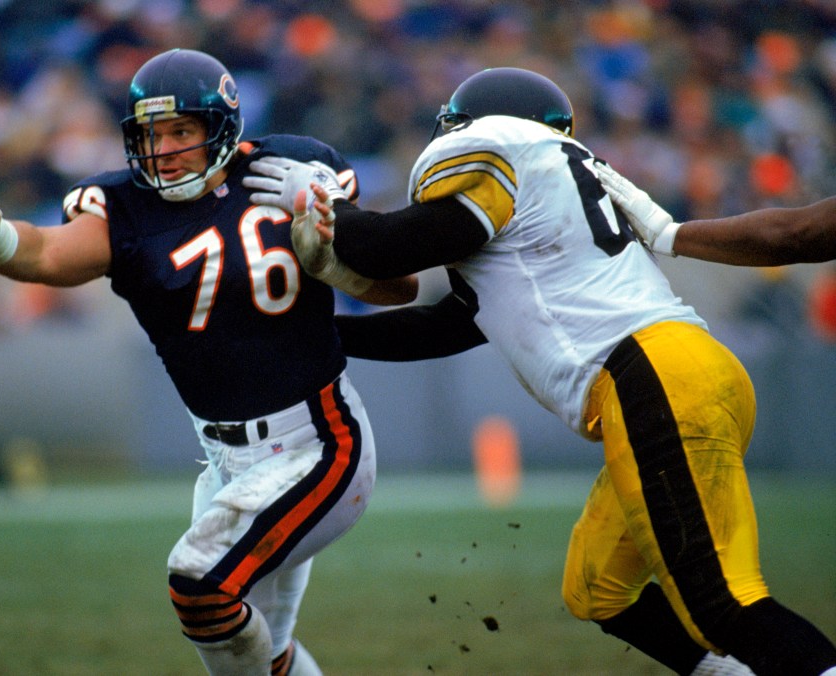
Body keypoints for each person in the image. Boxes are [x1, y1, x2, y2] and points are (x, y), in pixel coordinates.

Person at [244, 67, 836, 676]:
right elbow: (451, 324)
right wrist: (315, 337)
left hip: (653, 378)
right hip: (684, 373)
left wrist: (324, 207)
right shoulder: (543, 198)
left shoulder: (499, 146)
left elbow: (389, 248)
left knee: (723, 604)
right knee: (600, 588)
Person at [0, 48, 417, 676]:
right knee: (266, 654)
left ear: (223, 124)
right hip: (225, 461)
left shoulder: (292, 169)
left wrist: (330, 252)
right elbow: (45, 254)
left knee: (200, 587)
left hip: (319, 444)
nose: (164, 149)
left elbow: (396, 286)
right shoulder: (125, 207)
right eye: (150, 134)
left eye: (181, 130)